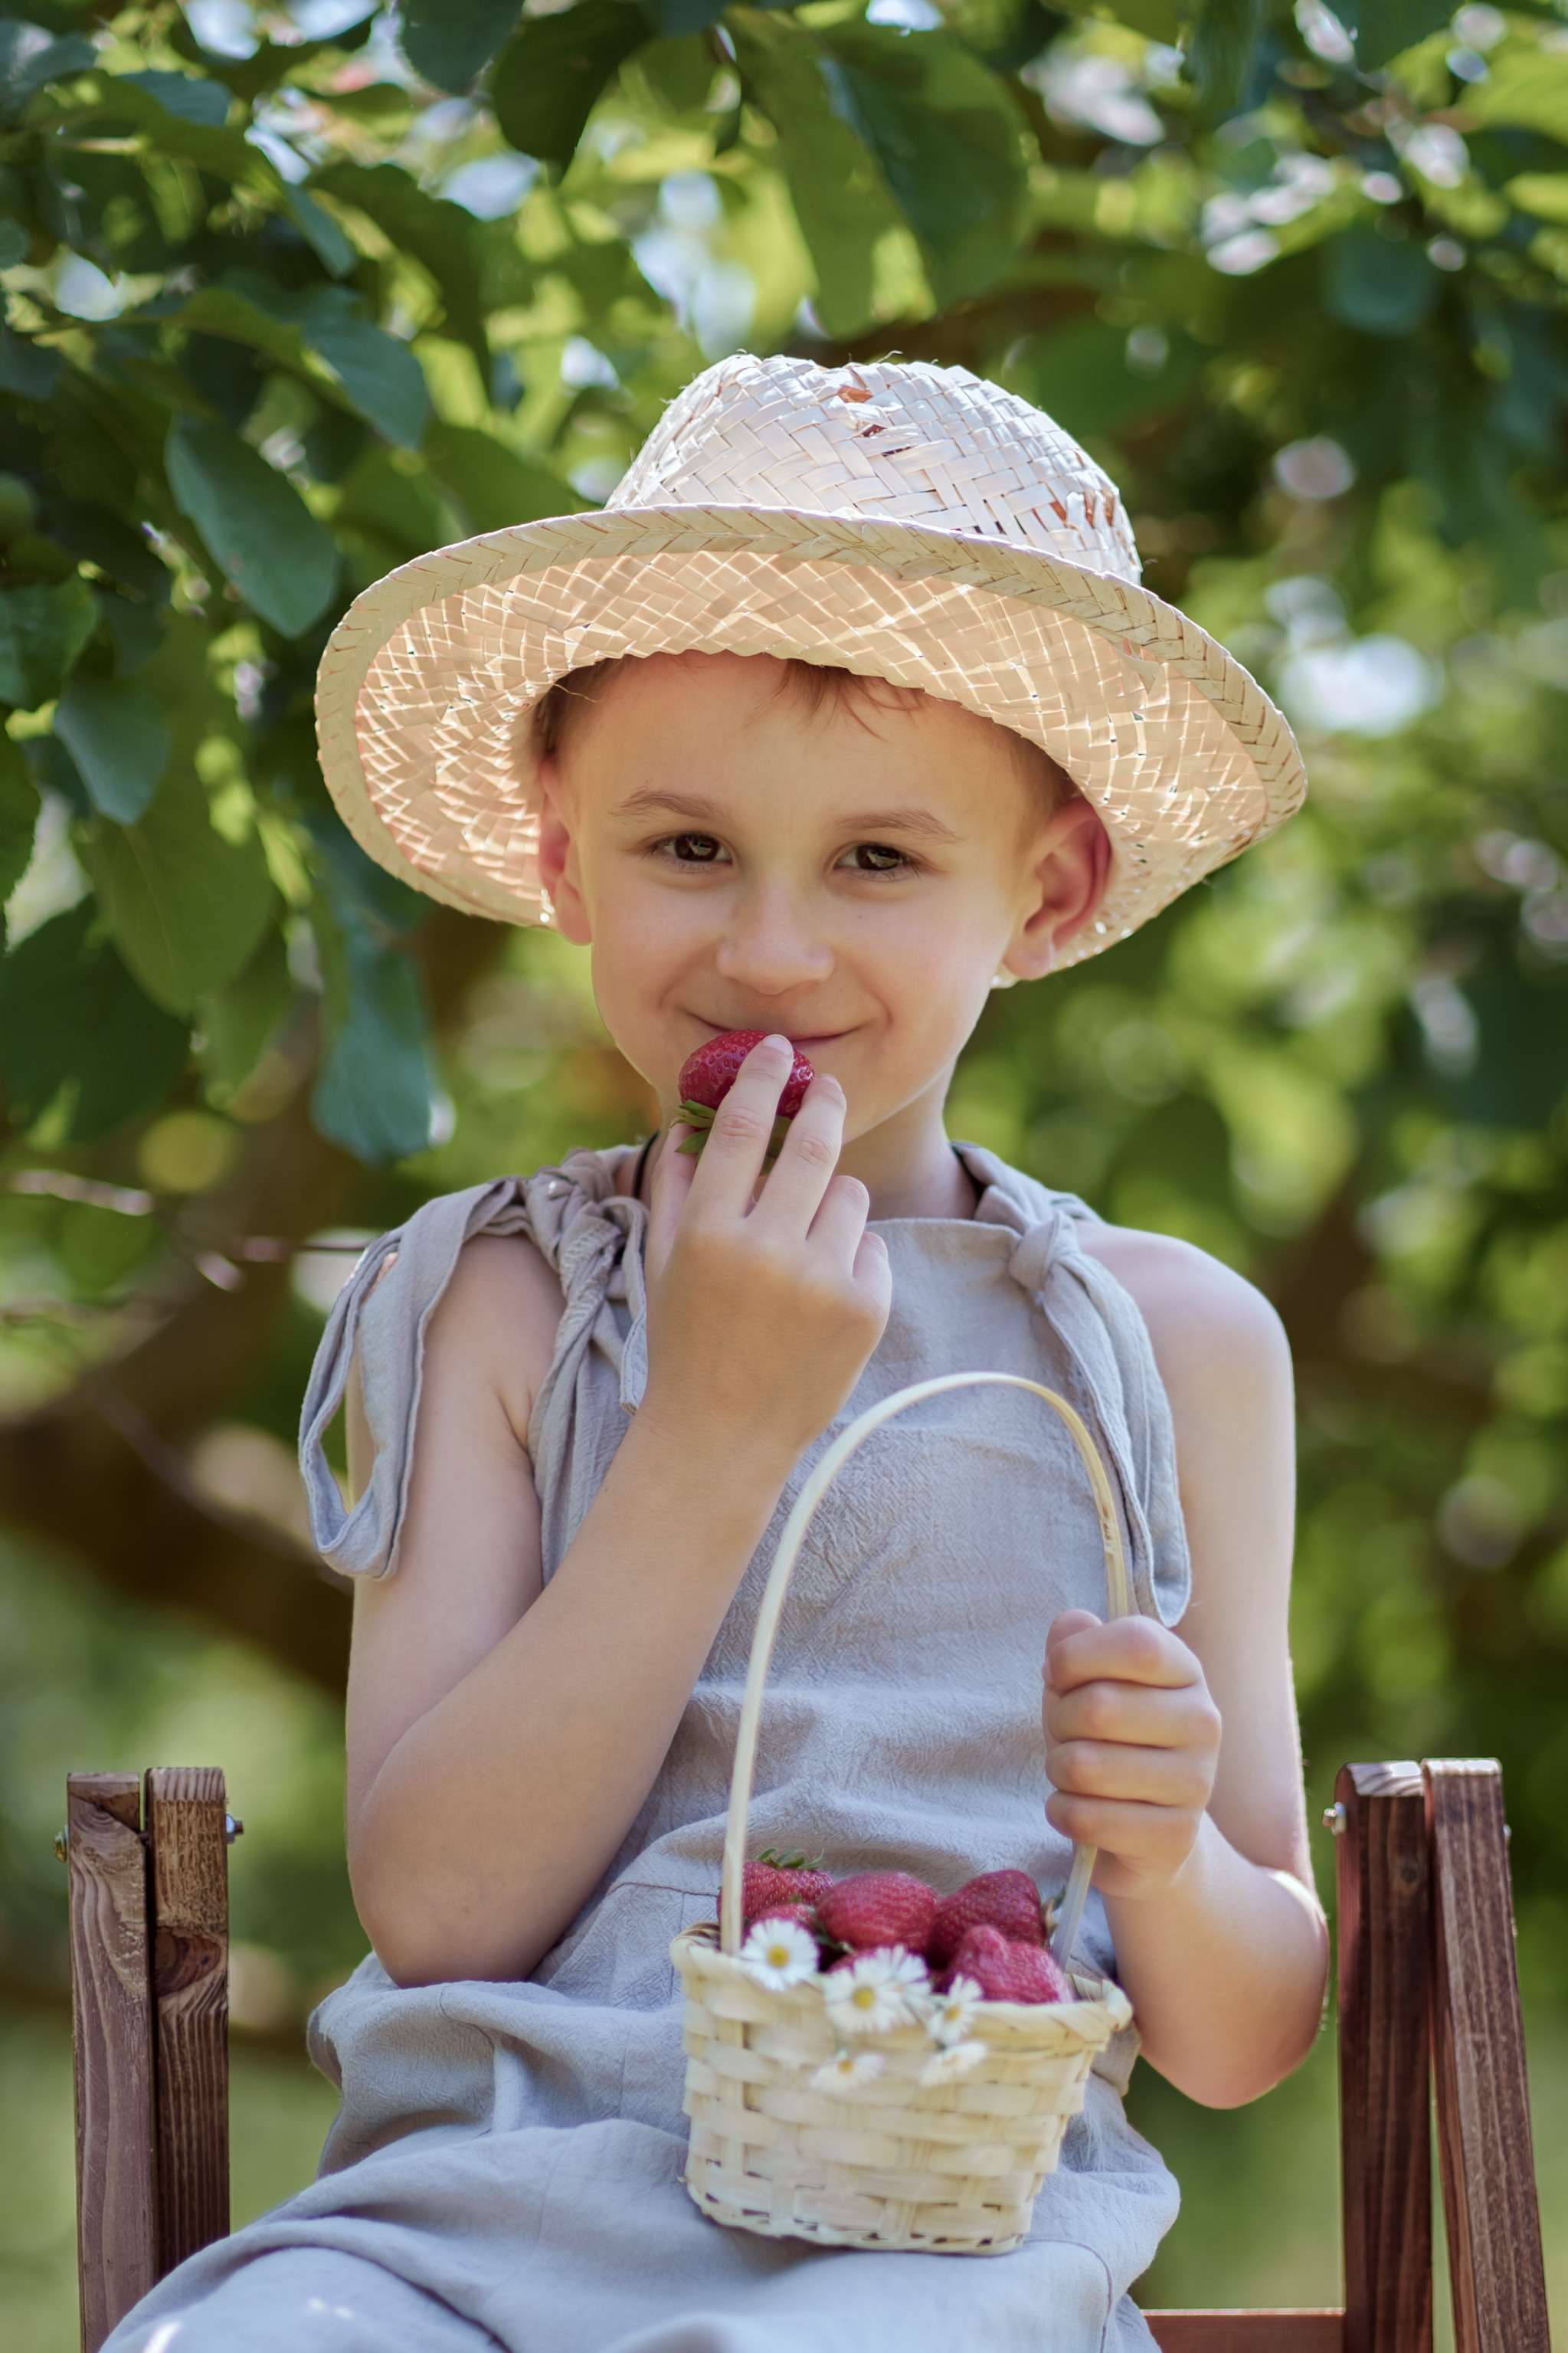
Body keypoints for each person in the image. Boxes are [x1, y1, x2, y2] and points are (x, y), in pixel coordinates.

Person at [109, 354, 1328, 2353]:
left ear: (1048, 893)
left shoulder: (1165, 1346)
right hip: (471, 2213)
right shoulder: (494, 1301)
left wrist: (1168, 1852)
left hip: (937, 2259)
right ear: (563, 858)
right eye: (686, 850)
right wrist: (710, 1434)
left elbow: (1249, 2030)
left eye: (876, 862)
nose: (767, 949)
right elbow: (444, 1910)